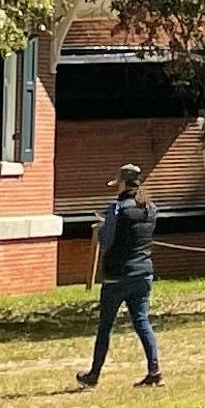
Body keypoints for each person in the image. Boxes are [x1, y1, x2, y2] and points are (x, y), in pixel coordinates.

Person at [75, 165, 162, 391]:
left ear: (122, 183)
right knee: (142, 321)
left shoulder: (116, 209)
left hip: (117, 276)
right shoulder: (150, 208)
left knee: (105, 327)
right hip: (143, 272)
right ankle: (154, 371)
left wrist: (103, 227)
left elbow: (106, 242)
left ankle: (94, 374)